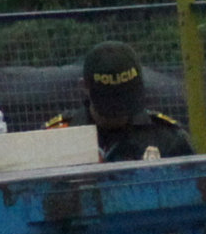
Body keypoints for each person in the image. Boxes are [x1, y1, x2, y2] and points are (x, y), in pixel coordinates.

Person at [48, 39, 197, 162]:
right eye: (109, 102)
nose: (118, 114)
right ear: (85, 87)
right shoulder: (56, 139)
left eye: (126, 99)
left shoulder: (168, 139)